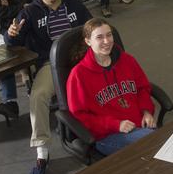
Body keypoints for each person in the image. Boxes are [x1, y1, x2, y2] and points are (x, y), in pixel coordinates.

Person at [4, 0, 92, 174]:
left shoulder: (73, 4)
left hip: (80, 59)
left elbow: (92, 26)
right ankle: (42, 153)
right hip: (51, 64)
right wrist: (11, 34)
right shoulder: (30, 12)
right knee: (39, 96)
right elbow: (13, 42)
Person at [66, 18, 156, 156]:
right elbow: (80, 116)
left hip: (140, 125)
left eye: (109, 35)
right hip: (108, 135)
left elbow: (142, 88)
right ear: (88, 41)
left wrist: (146, 111)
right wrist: (115, 124)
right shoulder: (78, 75)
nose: (107, 41)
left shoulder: (127, 60)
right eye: (99, 37)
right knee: (156, 143)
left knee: (162, 143)